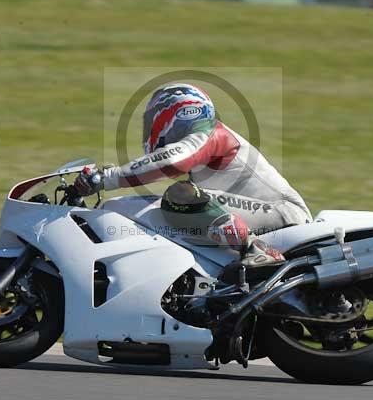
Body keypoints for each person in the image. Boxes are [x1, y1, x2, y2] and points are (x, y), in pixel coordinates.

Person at [75, 83, 312, 266]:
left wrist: (105, 178)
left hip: (284, 213)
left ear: (171, 113)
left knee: (181, 196)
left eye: (151, 120)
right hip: (266, 213)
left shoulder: (210, 131)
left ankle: (257, 249)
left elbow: (172, 161)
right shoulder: (204, 146)